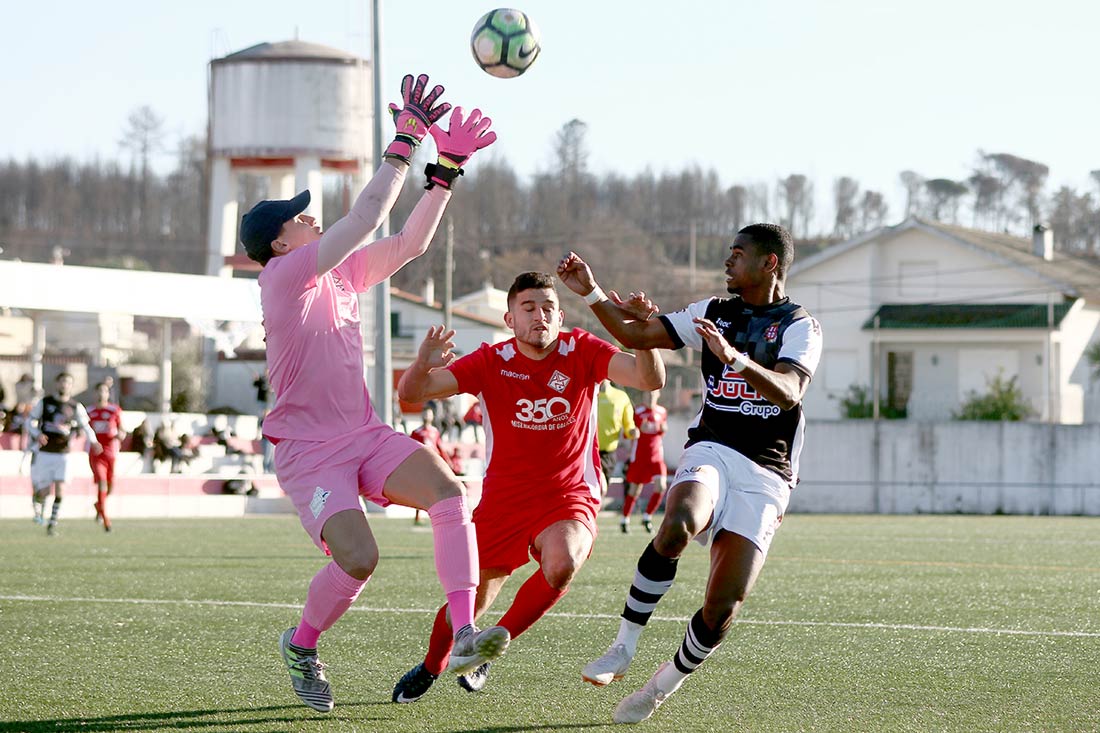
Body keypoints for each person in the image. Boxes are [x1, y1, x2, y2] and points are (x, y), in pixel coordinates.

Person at [240, 72, 500, 714]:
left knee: (449, 492)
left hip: (363, 434)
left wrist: (445, 174)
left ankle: (464, 632)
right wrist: (404, 142)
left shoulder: (337, 274)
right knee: (359, 560)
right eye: (299, 216)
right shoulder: (283, 277)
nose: (311, 216)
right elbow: (366, 217)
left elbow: (411, 242)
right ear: (280, 243)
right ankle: (301, 645)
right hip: (308, 453)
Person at [557, 223, 823, 724]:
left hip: (767, 471)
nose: (728, 261)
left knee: (723, 607)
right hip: (714, 448)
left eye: (738, 254)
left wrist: (734, 358)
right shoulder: (713, 311)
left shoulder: (800, 325)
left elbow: (789, 392)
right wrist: (590, 291)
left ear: (769, 263)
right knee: (678, 522)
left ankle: (660, 688)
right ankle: (623, 646)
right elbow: (636, 334)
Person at [391, 271, 664, 703]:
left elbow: (649, 380)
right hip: (503, 502)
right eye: (529, 308)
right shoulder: (490, 361)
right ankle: (431, 665)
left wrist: (644, 336)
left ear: (561, 316)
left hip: (568, 496)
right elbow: (413, 392)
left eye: (549, 308)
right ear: (510, 319)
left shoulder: (583, 350)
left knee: (563, 562)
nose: (541, 316)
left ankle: (488, 648)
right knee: (470, 602)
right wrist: (422, 362)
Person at [27, 372, 103, 535]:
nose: (64, 385)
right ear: (57, 383)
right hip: (45, 453)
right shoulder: (45, 402)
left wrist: (94, 441)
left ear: (71, 386)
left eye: (68, 382)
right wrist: (37, 434)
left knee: (60, 489)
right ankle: (37, 499)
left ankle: (52, 524)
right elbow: (29, 421)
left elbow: (86, 426)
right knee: (44, 492)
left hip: (64, 454)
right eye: (62, 382)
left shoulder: (75, 406)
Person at [620, 389, 669, 534]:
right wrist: (635, 431)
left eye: (653, 394)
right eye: (648, 394)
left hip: (656, 457)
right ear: (644, 395)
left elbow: (662, 430)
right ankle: (625, 519)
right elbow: (627, 432)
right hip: (640, 457)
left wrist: (664, 429)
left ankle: (647, 517)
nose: (650, 397)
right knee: (635, 489)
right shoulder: (637, 411)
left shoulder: (662, 411)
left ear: (658, 395)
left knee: (661, 486)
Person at [409, 405, 462, 525]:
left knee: (437, 489)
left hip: (434, 465)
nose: (427, 416)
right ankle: (417, 516)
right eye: (425, 413)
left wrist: (448, 461)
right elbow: (411, 447)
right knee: (421, 490)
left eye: (429, 414)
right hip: (422, 465)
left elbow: (440, 447)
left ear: (432, 416)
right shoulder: (416, 432)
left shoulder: (435, 432)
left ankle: (438, 515)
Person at [86, 382, 125, 532]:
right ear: (94, 393)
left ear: (108, 394)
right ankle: (105, 519)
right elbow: (84, 428)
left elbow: (122, 430)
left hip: (111, 453)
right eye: (99, 391)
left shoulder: (115, 410)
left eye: (104, 391)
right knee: (101, 481)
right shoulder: (89, 411)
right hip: (96, 453)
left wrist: (120, 435)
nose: (101, 394)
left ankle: (99, 505)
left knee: (110, 486)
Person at [597, 379, 638, 501]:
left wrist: (632, 432)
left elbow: (628, 426)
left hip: (608, 454)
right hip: (588, 452)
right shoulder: (586, 392)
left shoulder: (621, 397)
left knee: (601, 492)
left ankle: (594, 512)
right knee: (600, 487)